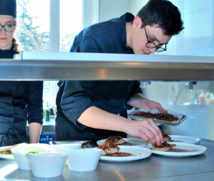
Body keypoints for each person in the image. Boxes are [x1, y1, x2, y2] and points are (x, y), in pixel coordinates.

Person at [56, 0, 184, 145]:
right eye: (152, 40)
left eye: (160, 45)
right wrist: (127, 125)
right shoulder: (94, 39)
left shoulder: (139, 50)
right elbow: (73, 102)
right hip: (78, 132)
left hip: (115, 128)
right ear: (137, 23)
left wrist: (142, 102)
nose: (152, 49)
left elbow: (126, 90)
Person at [0, 0, 43, 146]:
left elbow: (35, 108)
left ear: (14, 27)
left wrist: (33, 149)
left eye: (8, 25)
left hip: (17, 140)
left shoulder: (27, 64)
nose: (3, 31)